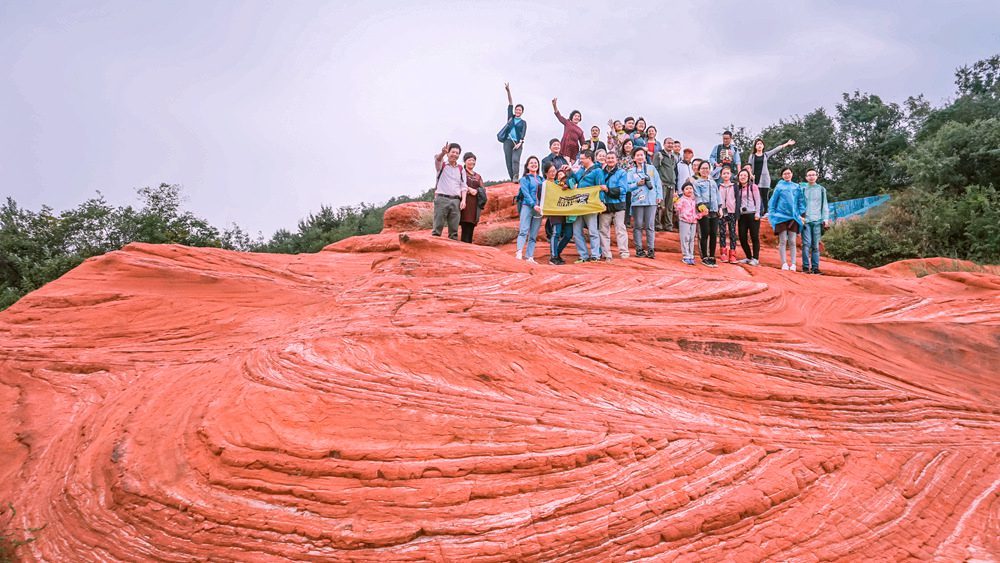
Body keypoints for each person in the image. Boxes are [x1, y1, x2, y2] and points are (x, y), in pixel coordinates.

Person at [767, 168, 807, 271]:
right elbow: (773, 202)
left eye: (789, 173)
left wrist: (799, 214)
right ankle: (784, 263)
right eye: (785, 174)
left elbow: (801, 202)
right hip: (781, 217)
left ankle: (793, 264)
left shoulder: (797, 187)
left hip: (793, 218)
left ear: (792, 174)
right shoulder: (779, 187)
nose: (787, 175)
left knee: (793, 241)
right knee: (783, 240)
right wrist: (773, 214)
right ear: (782, 175)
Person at [570, 150, 606, 262]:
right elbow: (575, 179)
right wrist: (569, 172)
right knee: (576, 232)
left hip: (591, 205)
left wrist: (601, 202)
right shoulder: (581, 170)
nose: (580, 161)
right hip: (578, 204)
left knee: (593, 231)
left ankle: (595, 255)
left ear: (589, 158)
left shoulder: (598, 171)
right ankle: (583, 255)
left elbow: (600, 187)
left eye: (582, 158)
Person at [627, 148, 663, 259]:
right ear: (634, 158)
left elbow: (657, 182)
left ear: (645, 156)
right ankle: (639, 249)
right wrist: (637, 184)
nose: (640, 157)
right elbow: (628, 186)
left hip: (651, 200)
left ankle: (651, 249)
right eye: (637, 155)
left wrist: (659, 196)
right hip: (637, 201)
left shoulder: (651, 169)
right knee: (637, 225)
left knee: (650, 226)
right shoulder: (631, 171)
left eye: (642, 155)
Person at [597, 151, 630, 261]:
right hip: (605, 205)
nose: (610, 160)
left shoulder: (622, 173)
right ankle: (607, 254)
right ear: (605, 160)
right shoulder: (602, 173)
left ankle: (624, 252)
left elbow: (623, 189)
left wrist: (607, 189)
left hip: (618, 205)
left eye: (612, 158)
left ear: (616, 160)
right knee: (603, 230)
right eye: (608, 158)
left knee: (620, 229)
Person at [750, 137, 795, 216]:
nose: (759, 145)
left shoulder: (766, 155)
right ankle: (758, 212)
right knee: (757, 196)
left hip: (765, 178)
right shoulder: (752, 156)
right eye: (757, 144)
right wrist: (750, 175)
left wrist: (787, 144)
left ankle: (766, 212)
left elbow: (776, 149)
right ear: (755, 146)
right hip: (755, 178)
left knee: (764, 196)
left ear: (763, 146)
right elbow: (749, 167)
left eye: (761, 144)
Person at [432, 142, 466, 240]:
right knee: (437, 228)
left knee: (454, 231)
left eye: (457, 153)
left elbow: (463, 186)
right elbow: (437, 160)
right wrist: (442, 153)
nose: (455, 154)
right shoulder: (442, 165)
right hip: (442, 198)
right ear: (448, 153)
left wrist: (463, 200)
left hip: (456, 201)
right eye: (453, 152)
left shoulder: (461, 169)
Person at [800, 168, 830, 274]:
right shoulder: (803, 189)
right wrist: (800, 217)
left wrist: (825, 219)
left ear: (816, 176)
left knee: (815, 246)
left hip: (817, 220)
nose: (811, 177)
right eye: (809, 175)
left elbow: (825, 205)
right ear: (806, 177)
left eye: (813, 175)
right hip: (806, 221)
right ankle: (805, 267)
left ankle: (815, 268)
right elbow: (799, 204)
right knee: (806, 244)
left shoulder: (821, 189)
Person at [515, 156, 544, 262]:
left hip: (539, 208)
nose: (534, 164)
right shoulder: (524, 179)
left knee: (533, 234)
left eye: (535, 163)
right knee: (523, 230)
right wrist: (533, 205)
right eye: (531, 163)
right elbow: (526, 194)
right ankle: (519, 252)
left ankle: (529, 256)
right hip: (527, 207)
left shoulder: (542, 180)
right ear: (527, 166)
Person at [693, 160, 721, 267]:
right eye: (703, 168)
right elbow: (697, 196)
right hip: (703, 211)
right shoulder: (697, 183)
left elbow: (717, 196)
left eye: (707, 168)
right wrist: (702, 207)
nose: (705, 170)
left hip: (714, 210)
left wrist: (720, 208)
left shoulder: (713, 182)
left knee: (713, 234)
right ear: (699, 170)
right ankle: (704, 256)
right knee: (704, 233)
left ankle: (712, 256)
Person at [546, 167, 575, 264]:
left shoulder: (571, 184)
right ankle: (553, 257)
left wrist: (568, 185)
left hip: (568, 214)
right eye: (558, 174)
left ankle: (557, 253)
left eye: (562, 174)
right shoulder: (553, 185)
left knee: (568, 234)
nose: (560, 176)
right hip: (556, 212)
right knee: (556, 233)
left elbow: (573, 185)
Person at [499, 83, 527, 181]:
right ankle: (512, 179)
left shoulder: (523, 122)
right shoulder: (511, 117)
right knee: (508, 161)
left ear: (522, 112)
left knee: (515, 159)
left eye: (520, 110)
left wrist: (520, 143)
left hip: (518, 143)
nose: (517, 111)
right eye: (516, 109)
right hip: (507, 141)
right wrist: (508, 91)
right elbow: (510, 103)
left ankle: (516, 176)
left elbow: (523, 134)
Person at [735, 169, 762, 266]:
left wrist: (758, 213)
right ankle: (748, 256)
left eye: (745, 175)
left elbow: (758, 200)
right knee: (742, 237)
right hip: (742, 215)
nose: (742, 177)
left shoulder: (753, 187)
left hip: (752, 214)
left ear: (748, 177)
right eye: (741, 175)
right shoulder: (738, 188)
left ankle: (755, 258)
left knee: (754, 236)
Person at [458, 152, 487, 243]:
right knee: (464, 225)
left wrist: (477, 191)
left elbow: (483, 189)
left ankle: (469, 247)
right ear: (465, 161)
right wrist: (469, 189)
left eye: (473, 160)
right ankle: (464, 247)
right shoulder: (461, 172)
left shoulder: (478, 176)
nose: (472, 162)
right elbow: (457, 183)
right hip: (464, 202)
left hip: (474, 204)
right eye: (469, 160)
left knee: (471, 226)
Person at [653, 137, 678, 231]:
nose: (670, 145)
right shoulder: (659, 155)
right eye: (668, 143)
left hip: (671, 184)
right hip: (662, 183)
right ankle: (657, 224)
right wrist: (657, 182)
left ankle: (669, 225)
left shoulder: (673, 157)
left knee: (669, 206)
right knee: (660, 206)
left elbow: (674, 171)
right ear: (664, 144)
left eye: (672, 143)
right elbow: (654, 169)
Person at [674, 183, 701, 265]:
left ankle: (691, 255)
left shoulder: (694, 200)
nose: (689, 190)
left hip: (693, 221)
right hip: (684, 221)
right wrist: (675, 199)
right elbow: (677, 208)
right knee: (685, 238)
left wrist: (700, 215)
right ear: (683, 191)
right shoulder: (682, 200)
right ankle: (686, 255)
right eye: (687, 188)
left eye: (690, 188)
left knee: (691, 239)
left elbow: (695, 212)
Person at [717, 167, 738, 263]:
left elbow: (737, 199)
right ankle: (723, 253)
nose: (726, 175)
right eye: (724, 173)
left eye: (728, 173)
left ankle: (732, 254)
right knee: (722, 232)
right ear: (721, 175)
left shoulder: (734, 186)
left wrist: (737, 212)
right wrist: (718, 208)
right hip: (722, 211)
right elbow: (716, 199)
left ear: (731, 175)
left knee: (732, 233)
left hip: (732, 211)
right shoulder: (718, 186)